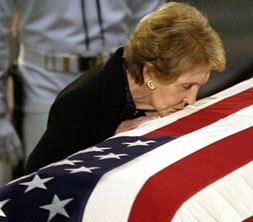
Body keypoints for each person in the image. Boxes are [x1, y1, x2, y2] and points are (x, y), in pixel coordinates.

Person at [25, 1, 226, 174]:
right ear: (150, 74)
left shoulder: (165, 98)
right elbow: (37, 182)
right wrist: (108, 148)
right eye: (186, 86)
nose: (191, 100)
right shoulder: (80, 103)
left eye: (198, 86)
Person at [0, 0, 164, 173]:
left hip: (120, 76)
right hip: (44, 80)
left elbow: (152, 19)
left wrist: (157, 85)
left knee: (122, 178)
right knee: (45, 185)